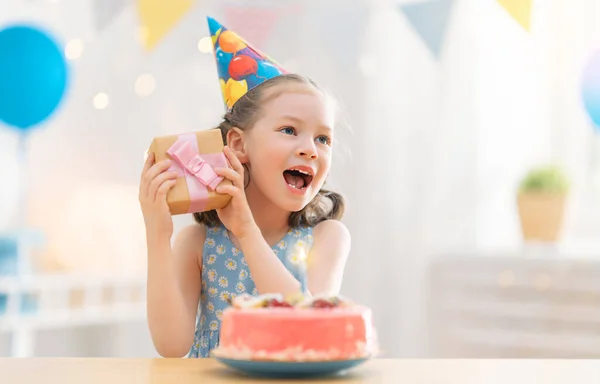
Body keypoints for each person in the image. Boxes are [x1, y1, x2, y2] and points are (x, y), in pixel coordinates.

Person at [139, 16, 351, 358]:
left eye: (323, 138)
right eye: (289, 130)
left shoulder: (328, 238)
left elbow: (307, 325)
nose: (311, 148)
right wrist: (156, 234)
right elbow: (171, 345)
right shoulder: (198, 243)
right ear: (238, 144)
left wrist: (246, 231)